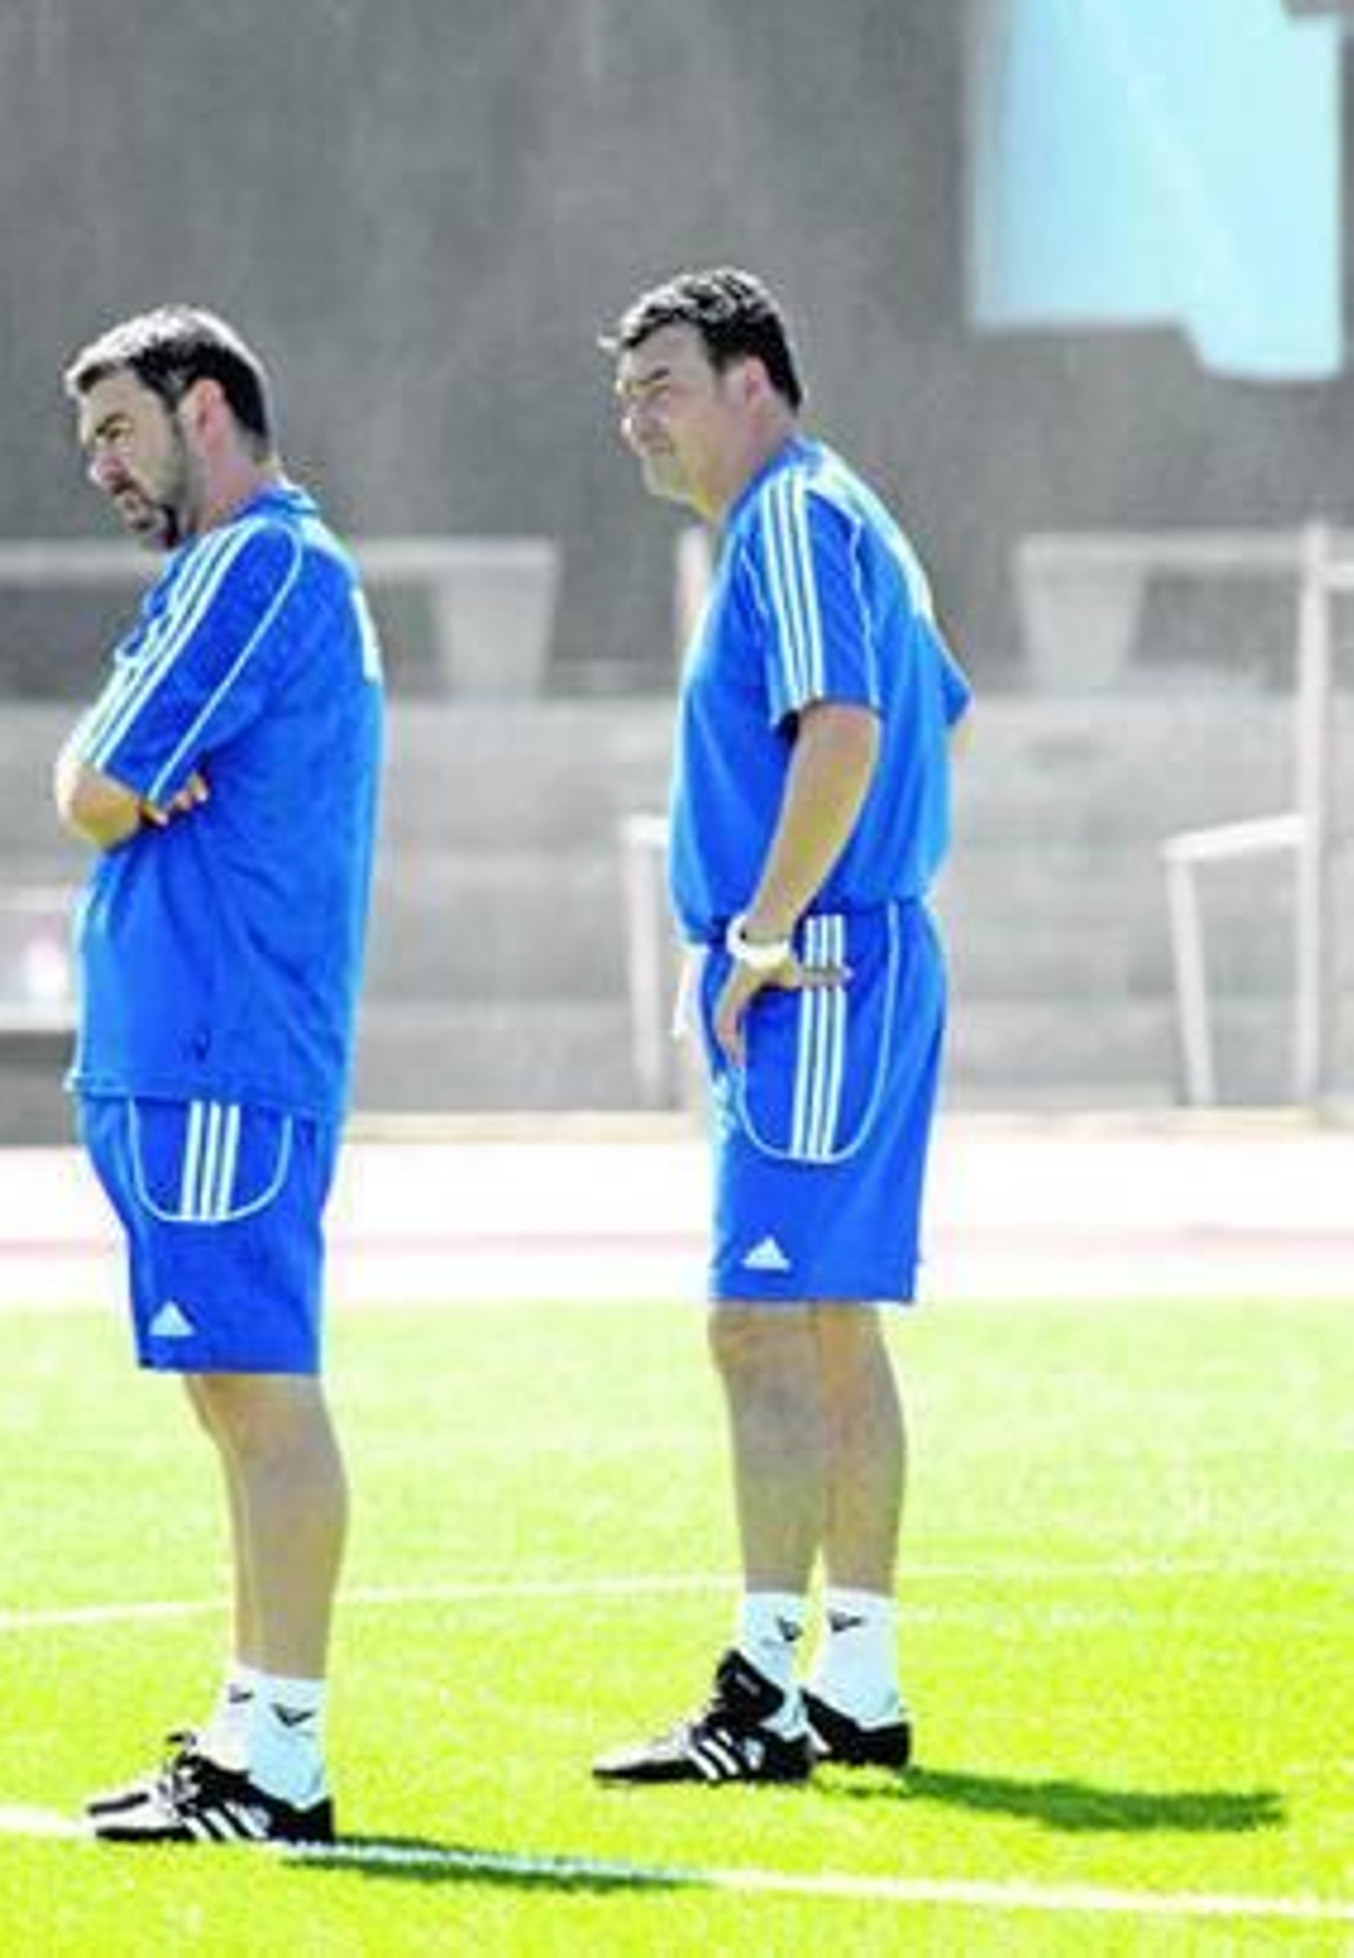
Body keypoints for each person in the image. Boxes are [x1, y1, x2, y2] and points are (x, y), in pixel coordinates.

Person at [592, 268, 970, 1786]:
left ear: (754, 382)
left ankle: (759, 1692)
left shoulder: (791, 519)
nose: (638, 421)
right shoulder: (844, 512)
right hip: (856, 950)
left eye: (663, 387)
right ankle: (855, 1679)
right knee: (826, 1323)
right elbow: (935, 708)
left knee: (756, 1323)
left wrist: (764, 928)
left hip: (812, 965)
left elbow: (851, 726)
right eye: (625, 395)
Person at [53, 305, 383, 1844]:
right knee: (227, 1396)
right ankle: (250, 1731)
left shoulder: (264, 565)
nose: (103, 468)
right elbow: (104, 780)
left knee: (261, 1395)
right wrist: (109, 779)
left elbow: (94, 786)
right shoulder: (215, 575)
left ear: (202, 409)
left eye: (119, 430)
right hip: (182, 1048)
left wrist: (108, 780)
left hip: (221, 1049)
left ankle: (286, 1758)